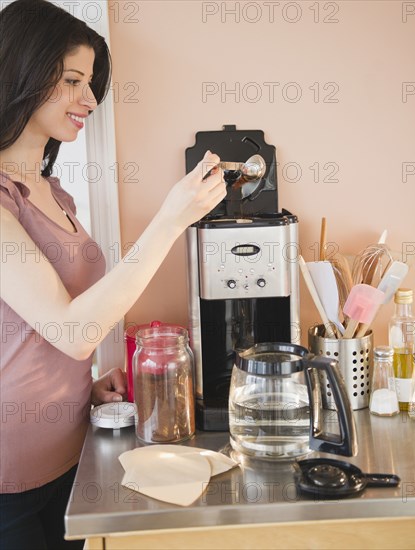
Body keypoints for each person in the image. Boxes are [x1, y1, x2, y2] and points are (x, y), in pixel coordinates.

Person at [0, 1, 225, 548]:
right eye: (73, 80)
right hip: (11, 468)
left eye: (92, 83)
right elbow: (74, 332)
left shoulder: (56, 195)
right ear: (22, 72)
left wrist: (83, 389)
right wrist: (170, 220)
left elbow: (49, 333)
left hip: (71, 450)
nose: (90, 100)